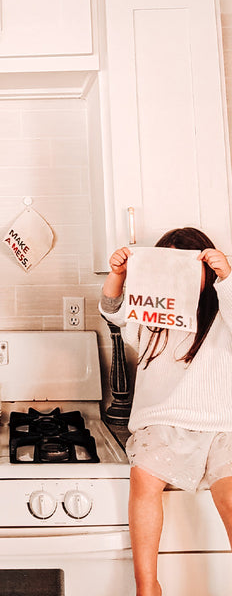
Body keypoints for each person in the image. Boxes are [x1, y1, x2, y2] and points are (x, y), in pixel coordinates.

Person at [99, 227, 232, 596]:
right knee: (144, 481)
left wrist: (227, 277)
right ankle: (147, 586)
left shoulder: (222, 312)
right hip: (162, 420)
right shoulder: (152, 318)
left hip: (223, 424)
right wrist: (118, 275)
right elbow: (114, 314)